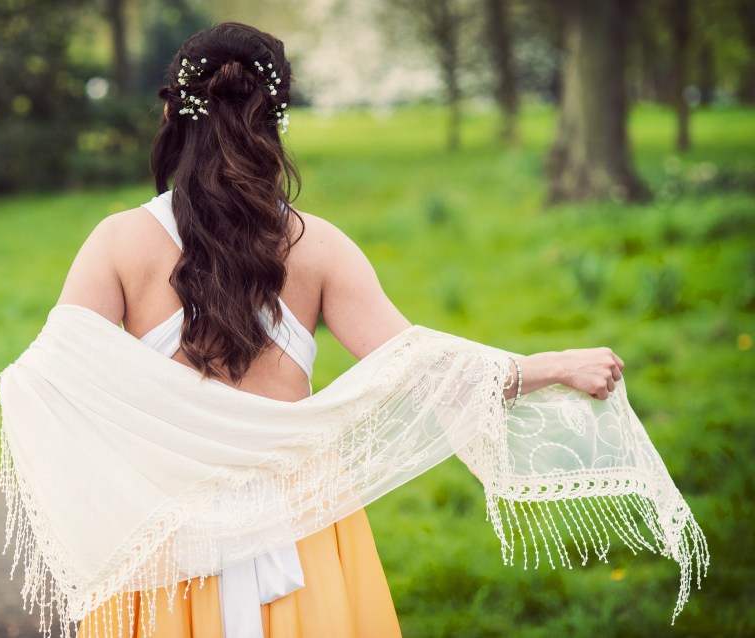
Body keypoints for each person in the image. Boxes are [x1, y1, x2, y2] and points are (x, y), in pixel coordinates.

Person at [48, 22, 632, 638]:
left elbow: (57, 390)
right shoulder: (319, 246)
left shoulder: (116, 242)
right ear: (276, 121)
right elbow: (421, 367)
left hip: (162, 531)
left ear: (171, 112)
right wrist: (555, 365)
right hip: (302, 528)